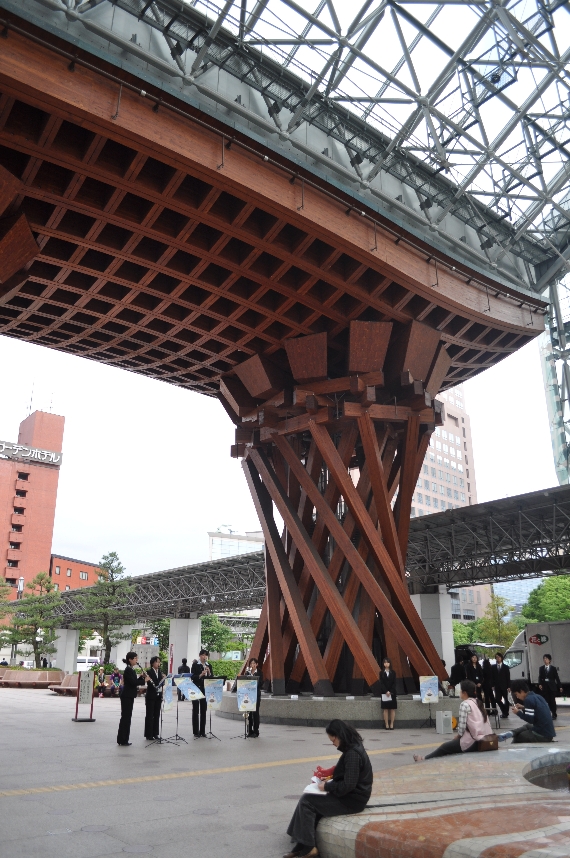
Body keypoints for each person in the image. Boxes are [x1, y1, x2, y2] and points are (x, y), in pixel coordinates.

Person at [284, 719, 373, 858]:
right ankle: (301, 843)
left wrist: (327, 786)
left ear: (339, 735)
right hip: (353, 796)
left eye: (333, 740)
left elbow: (348, 785)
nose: (333, 743)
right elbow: (348, 775)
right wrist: (330, 776)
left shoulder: (352, 754)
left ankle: (308, 847)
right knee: (307, 798)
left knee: (308, 801)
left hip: (353, 800)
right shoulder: (353, 748)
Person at [413, 680, 489, 761]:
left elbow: (462, 728)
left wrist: (458, 736)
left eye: (460, 690)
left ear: (464, 693)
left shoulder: (465, 704)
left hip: (471, 741)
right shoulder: (478, 702)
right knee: (451, 747)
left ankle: (424, 758)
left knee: (444, 747)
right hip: (483, 740)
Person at [498, 679, 556, 744]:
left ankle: (512, 740)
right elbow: (537, 710)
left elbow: (530, 720)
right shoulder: (538, 696)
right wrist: (523, 707)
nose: (517, 697)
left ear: (522, 691)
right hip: (549, 733)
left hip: (543, 735)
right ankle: (511, 733)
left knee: (520, 736)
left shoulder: (528, 700)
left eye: (517, 694)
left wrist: (518, 712)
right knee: (527, 726)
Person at [117, 652, 146, 746]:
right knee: (125, 717)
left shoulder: (131, 669)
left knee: (127, 717)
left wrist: (141, 677)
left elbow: (134, 681)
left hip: (129, 695)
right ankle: (122, 739)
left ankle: (124, 739)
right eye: (135, 658)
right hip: (126, 695)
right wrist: (144, 680)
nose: (136, 660)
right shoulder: (128, 670)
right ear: (130, 659)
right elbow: (133, 683)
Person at [190, 649, 211, 738]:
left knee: (203, 710)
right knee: (195, 710)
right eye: (202, 655)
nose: (204, 657)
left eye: (206, 655)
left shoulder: (209, 665)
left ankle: (202, 731)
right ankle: (196, 731)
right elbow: (193, 677)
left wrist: (209, 673)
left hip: (205, 689)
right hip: (196, 689)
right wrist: (200, 675)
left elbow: (211, 678)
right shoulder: (195, 665)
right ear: (199, 656)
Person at [144, 656, 164, 740]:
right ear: (153, 663)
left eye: (159, 662)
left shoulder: (160, 672)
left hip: (158, 696)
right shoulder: (149, 672)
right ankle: (149, 734)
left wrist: (163, 680)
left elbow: (161, 683)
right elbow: (151, 683)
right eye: (157, 662)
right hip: (151, 695)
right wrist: (160, 681)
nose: (158, 664)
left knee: (157, 714)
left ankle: (155, 733)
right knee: (150, 715)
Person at [538, 654, 561, 720]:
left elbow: (557, 677)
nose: (545, 660)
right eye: (544, 659)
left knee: (552, 701)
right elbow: (540, 677)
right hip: (545, 687)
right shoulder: (541, 668)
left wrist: (560, 686)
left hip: (552, 687)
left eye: (546, 659)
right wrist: (540, 684)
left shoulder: (553, 668)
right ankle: (548, 713)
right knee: (546, 701)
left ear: (549, 660)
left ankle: (554, 713)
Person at [245, 657, 263, 737]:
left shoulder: (259, 673)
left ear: (257, 664)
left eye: (254, 663)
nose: (252, 665)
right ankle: (249, 731)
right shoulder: (247, 673)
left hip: (256, 695)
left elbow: (261, 684)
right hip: (248, 696)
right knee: (249, 713)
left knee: (255, 713)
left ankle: (256, 731)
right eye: (251, 663)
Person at [379, 657, 397, 730]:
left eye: (388, 662)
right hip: (384, 693)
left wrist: (390, 691)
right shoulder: (381, 673)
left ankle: (392, 724)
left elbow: (394, 683)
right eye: (385, 662)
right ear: (383, 664)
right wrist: (386, 691)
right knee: (385, 709)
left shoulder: (393, 672)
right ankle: (386, 724)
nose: (386, 664)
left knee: (392, 709)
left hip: (392, 693)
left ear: (390, 664)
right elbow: (381, 683)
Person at [491, 652, 511, 718]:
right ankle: (504, 711)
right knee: (497, 699)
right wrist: (493, 685)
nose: (498, 658)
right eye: (496, 657)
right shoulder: (493, 667)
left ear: (501, 658)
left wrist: (509, 686)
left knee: (506, 699)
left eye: (499, 657)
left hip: (504, 686)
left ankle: (506, 713)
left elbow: (508, 677)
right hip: (497, 686)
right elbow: (492, 677)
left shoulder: (506, 667)